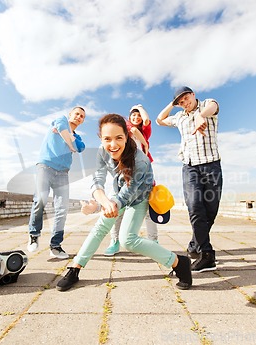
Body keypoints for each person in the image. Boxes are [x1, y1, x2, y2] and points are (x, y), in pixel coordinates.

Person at [56, 114, 192, 291]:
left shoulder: (141, 161)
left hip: (139, 198)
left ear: (127, 137)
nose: (113, 145)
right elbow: (97, 179)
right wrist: (102, 202)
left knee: (128, 240)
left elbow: (128, 195)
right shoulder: (102, 151)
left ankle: (178, 262)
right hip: (118, 194)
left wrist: (110, 205)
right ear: (101, 139)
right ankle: (75, 268)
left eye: (119, 138)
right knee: (100, 228)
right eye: (107, 139)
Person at [156, 86, 222, 272]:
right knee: (194, 206)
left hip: (211, 165)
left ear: (193, 95)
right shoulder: (180, 117)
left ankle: (194, 244)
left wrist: (202, 116)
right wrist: (172, 103)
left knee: (210, 211)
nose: (185, 103)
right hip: (190, 167)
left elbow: (215, 105)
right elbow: (159, 120)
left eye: (186, 98)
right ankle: (207, 254)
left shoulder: (206, 106)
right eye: (181, 102)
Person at [27, 106, 86, 259]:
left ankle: (55, 245)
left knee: (62, 208)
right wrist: (69, 141)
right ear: (70, 115)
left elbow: (80, 148)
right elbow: (61, 128)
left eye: (82, 116)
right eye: (77, 114)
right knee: (40, 199)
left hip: (63, 173)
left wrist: (70, 139)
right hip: (45, 166)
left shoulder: (77, 137)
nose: (79, 117)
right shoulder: (61, 119)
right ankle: (34, 234)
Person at [104, 104, 158, 256]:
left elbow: (146, 120)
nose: (136, 117)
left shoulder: (145, 131)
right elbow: (132, 130)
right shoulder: (126, 128)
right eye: (133, 115)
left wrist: (140, 107)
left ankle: (154, 242)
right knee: (119, 208)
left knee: (149, 210)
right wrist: (145, 144)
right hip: (126, 171)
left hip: (144, 173)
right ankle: (114, 241)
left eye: (138, 115)